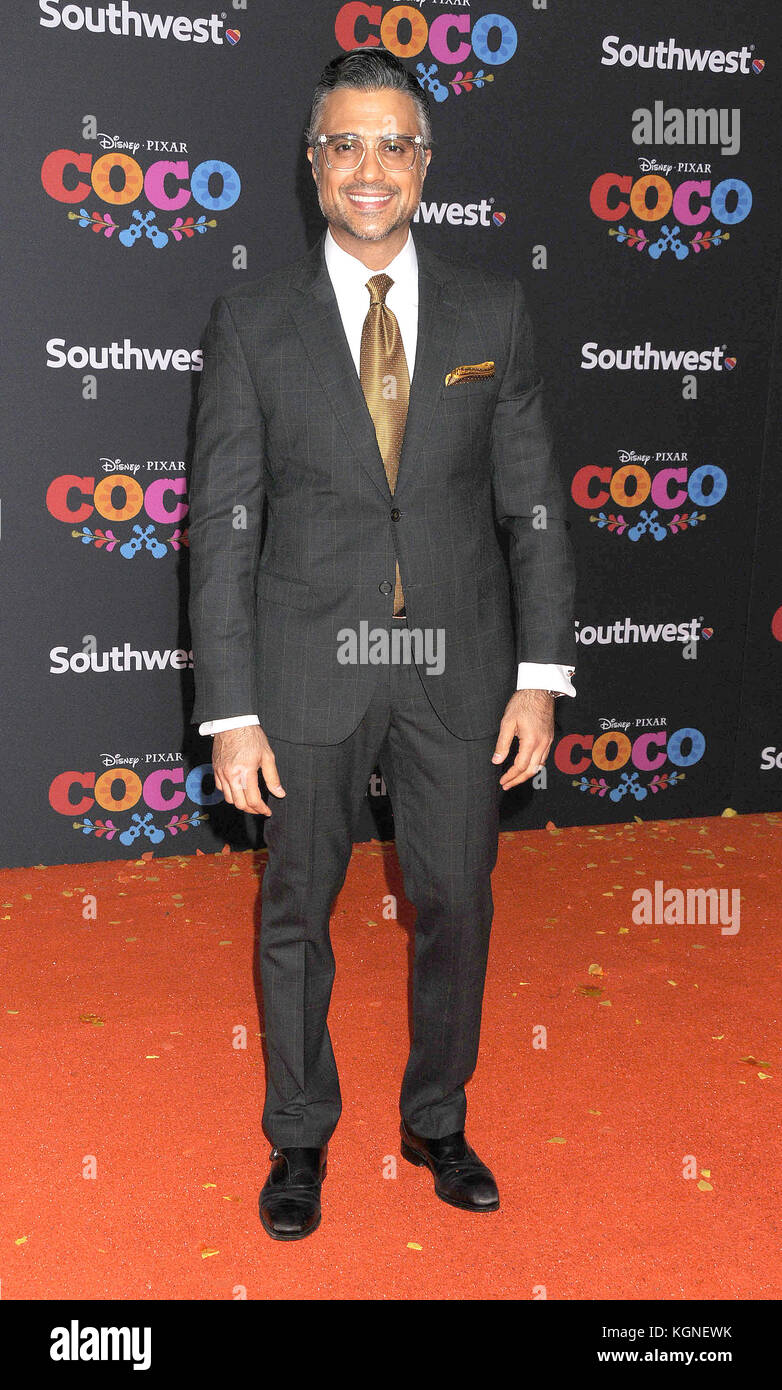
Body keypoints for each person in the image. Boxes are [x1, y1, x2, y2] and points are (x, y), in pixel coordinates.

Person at [188, 48, 576, 1242]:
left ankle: (435, 1117)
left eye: (393, 145)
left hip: (457, 667)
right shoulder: (253, 321)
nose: (370, 169)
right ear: (312, 168)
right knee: (296, 911)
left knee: (456, 902)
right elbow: (221, 523)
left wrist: (541, 675)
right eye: (344, 144)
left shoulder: (490, 310)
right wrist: (230, 708)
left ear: (425, 166)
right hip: (306, 662)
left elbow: (531, 507)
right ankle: (299, 1136)